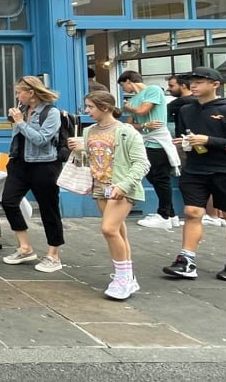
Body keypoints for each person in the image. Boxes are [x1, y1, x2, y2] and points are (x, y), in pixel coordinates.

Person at [164, 67, 226, 282]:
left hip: (225, 170)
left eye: (200, 81)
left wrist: (208, 141)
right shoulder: (186, 110)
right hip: (194, 169)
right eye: (191, 81)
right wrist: (185, 142)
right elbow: (187, 135)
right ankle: (186, 259)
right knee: (192, 212)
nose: (193, 85)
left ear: (215, 84)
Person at [68, 91, 149, 300]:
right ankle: (128, 277)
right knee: (119, 232)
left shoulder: (126, 132)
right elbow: (90, 160)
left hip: (120, 188)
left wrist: (124, 185)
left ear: (105, 107)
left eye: (90, 107)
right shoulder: (89, 131)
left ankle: (123, 278)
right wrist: (79, 150)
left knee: (108, 229)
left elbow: (142, 163)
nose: (86, 111)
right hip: (100, 186)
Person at [1, 75, 65, 273]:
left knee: (49, 209)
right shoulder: (22, 109)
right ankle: (25, 247)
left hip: (44, 166)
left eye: (19, 92)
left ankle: (53, 255)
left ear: (31, 93)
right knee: (8, 201)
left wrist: (20, 123)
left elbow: (41, 139)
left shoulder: (51, 112)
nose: (17, 96)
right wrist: (16, 119)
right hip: (19, 164)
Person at [117, 70, 180, 229]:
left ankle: (164, 215)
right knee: (153, 177)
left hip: (158, 141)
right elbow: (131, 124)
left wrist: (127, 108)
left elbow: (142, 111)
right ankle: (170, 214)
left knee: (160, 178)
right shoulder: (135, 99)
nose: (123, 89)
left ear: (128, 81)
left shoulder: (153, 90)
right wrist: (144, 124)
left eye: (123, 85)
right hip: (145, 142)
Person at [168, 74, 224, 227]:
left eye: (172, 85)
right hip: (204, 154)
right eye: (193, 82)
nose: (168, 88)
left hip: (200, 154)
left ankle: (212, 215)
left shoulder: (180, 104)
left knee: (206, 183)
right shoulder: (188, 108)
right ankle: (215, 214)